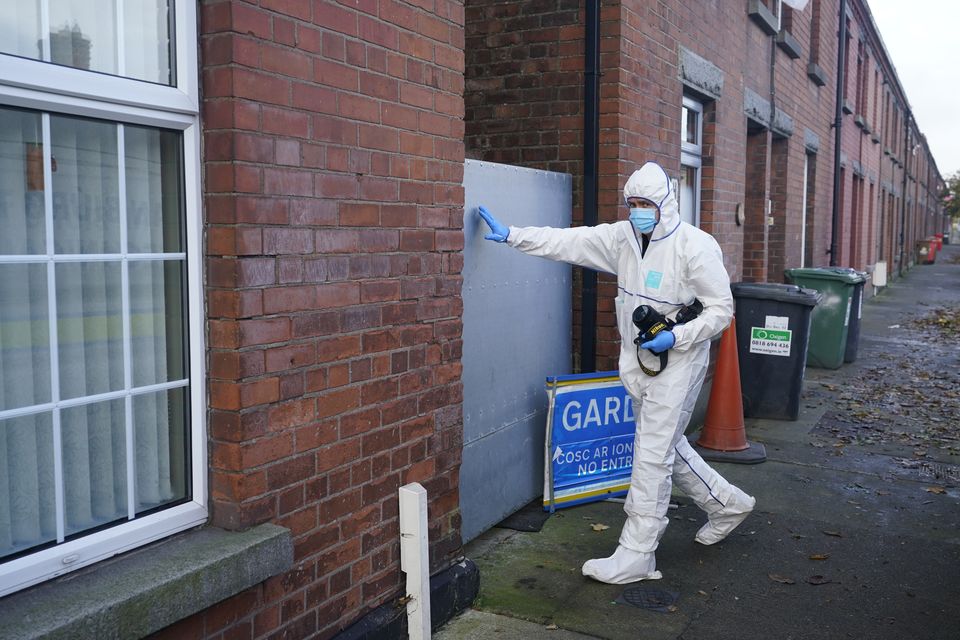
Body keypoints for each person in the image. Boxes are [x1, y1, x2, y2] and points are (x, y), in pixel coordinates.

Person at [477, 161, 755, 585]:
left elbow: (721, 310)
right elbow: (569, 242)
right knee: (664, 447)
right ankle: (727, 503)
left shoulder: (694, 246)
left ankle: (638, 552)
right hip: (637, 361)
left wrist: (677, 337)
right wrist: (514, 235)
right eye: (634, 203)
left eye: (647, 204)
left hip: (678, 363)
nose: (639, 211)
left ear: (666, 204)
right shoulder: (623, 238)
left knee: (649, 455)